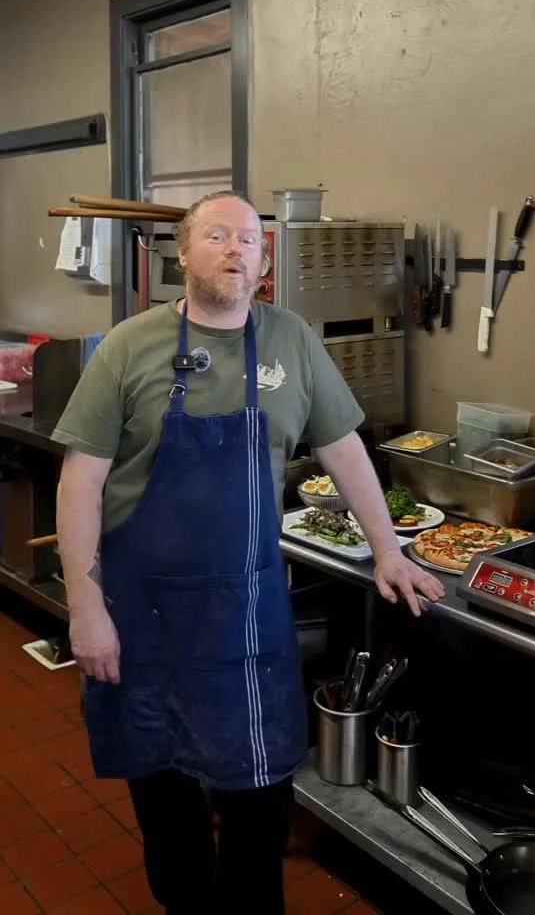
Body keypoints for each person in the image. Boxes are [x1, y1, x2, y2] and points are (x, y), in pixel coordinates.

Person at [53, 191, 445, 915]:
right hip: (145, 618)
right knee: (167, 802)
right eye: (217, 236)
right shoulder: (128, 347)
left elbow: (344, 449)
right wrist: (84, 607)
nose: (237, 249)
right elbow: (81, 481)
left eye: (250, 240)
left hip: (246, 618)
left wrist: (388, 550)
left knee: (261, 806)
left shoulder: (291, 340)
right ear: (183, 253)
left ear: (264, 263)